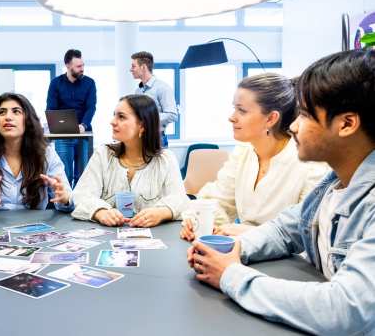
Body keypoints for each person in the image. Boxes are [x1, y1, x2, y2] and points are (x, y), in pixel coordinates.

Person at [187, 49, 375, 335]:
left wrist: (230, 274)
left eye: (305, 115)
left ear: (347, 123)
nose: (294, 126)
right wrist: (235, 250)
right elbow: (284, 230)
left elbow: (345, 309)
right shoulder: (331, 186)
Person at [180, 73, 328, 241]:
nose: (231, 117)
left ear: (271, 118)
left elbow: (305, 234)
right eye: (234, 108)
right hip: (241, 253)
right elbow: (218, 200)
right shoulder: (244, 151)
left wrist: (247, 233)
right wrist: (198, 220)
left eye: (241, 111)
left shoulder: (310, 164)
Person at [71, 94, 188, 227]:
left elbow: (181, 200)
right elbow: (81, 195)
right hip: (107, 239)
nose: (112, 121)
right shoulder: (103, 154)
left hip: (155, 240)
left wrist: (161, 213)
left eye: (121, 117)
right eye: (114, 115)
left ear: (142, 126)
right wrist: (100, 212)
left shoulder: (165, 159)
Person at [46, 49, 97, 186]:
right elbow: (51, 108)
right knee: (64, 175)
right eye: (78, 66)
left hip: (84, 134)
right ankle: (65, 205)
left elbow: (91, 107)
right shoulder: (56, 84)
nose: (82, 69)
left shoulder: (89, 83)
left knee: (83, 176)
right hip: (63, 135)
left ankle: (81, 205)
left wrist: (83, 125)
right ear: (68, 66)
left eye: (83, 65)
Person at [130, 51, 178, 147]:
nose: (130, 69)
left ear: (143, 67)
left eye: (133, 66)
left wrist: (148, 119)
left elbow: (172, 115)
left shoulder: (162, 88)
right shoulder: (138, 91)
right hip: (140, 138)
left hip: (156, 139)